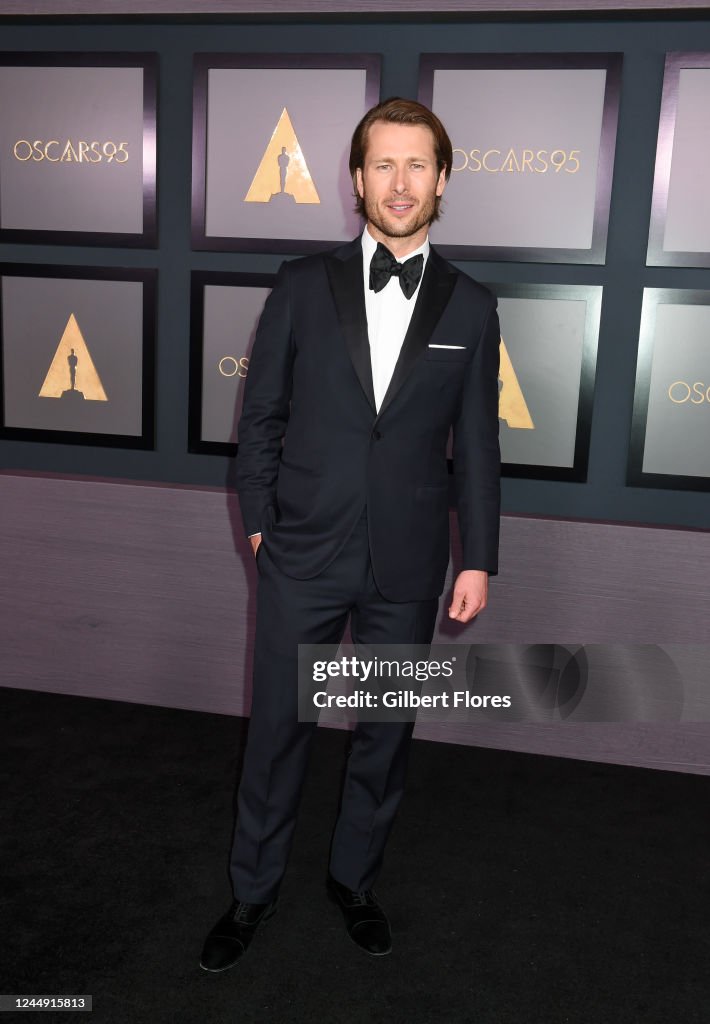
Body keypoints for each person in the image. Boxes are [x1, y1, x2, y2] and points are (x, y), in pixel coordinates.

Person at [200, 97, 501, 972]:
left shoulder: (472, 306)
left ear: (442, 179)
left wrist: (477, 555)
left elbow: (477, 446)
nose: (399, 183)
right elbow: (259, 424)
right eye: (382, 165)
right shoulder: (301, 283)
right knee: (277, 734)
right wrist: (262, 534)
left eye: (417, 165)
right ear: (357, 178)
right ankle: (252, 892)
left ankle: (354, 881)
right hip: (302, 553)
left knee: (384, 734)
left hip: (407, 563)